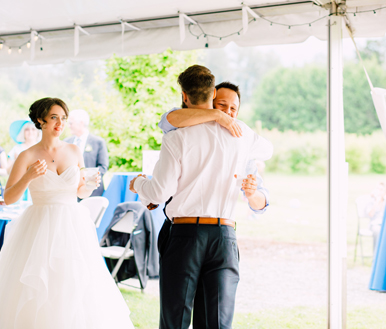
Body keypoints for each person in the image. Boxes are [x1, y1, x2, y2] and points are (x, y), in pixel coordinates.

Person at [0, 98, 132, 328]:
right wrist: (28, 177)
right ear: (40, 120)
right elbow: (9, 197)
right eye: (54, 118)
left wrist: (90, 185)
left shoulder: (74, 150)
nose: (60, 123)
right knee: (35, 285)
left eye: (63, 118)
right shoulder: (26, 155)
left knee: (73, 282)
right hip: (38, 226)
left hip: (73, 226)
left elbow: (80, 191)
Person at [130, 65, 273, 329]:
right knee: (216, 322)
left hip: (184, 236)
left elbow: (160, 192)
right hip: (224, 237)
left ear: (184, 96)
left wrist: (138, 183)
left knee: (175, 320)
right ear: (213, 94)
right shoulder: (242, 134)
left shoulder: (176, 136)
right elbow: (268, 150)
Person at [157, 81, 271, 214]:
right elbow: (166, 122)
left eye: (233, 109)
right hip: (177, 220)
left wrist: (252, 194)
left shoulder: (241, 144)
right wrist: (217, 115)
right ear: (210, 103)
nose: (227, 112)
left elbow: (262, 204)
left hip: (220, 223)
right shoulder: (188, 127)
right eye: (222, 105)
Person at [63, 109, 109, 198]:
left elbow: (103, 167)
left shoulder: (98, 142)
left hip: (93, 193)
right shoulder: (66, 142)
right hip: (71, 192)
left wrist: (88, 180)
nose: (68, 126)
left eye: (71, 123)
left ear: (81, 123)